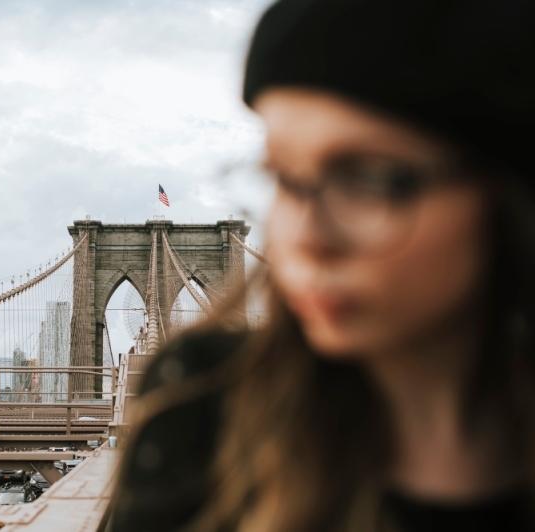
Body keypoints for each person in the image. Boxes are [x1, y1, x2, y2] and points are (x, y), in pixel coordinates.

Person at [107, 0, 535, 530]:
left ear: (509, 193)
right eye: (283, 178)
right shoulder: (197, 409)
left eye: (366, 180)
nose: (302, 237)